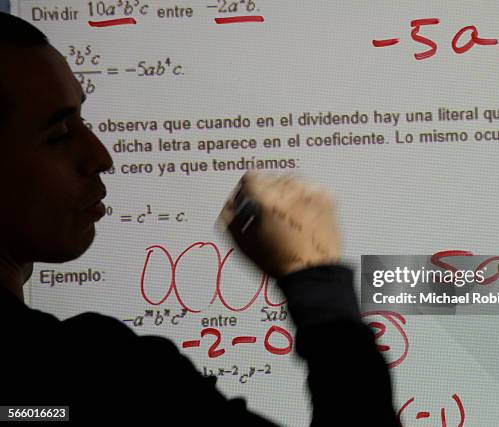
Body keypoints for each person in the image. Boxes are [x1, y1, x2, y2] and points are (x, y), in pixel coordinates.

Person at [0, 13, 398, 425]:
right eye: (59, 135)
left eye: (83, 120)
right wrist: (316, 283)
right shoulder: (100, 382)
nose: (101, 157)